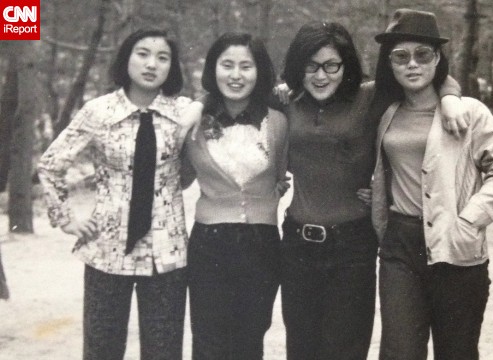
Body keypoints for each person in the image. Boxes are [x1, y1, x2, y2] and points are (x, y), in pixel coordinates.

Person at [276, 21, 465, 360]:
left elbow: (428, 75)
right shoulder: (287, 101)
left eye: (332, 65)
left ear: (346, 66)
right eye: (311, 66)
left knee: (345, 350)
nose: (321, 75)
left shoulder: (368, 97)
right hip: (297, 244)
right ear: (298, 67)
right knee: (300, 349)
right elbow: (231, 88)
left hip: (352, 246)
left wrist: (451, 97)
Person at [370, 9, 493, 360]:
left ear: (438, 59)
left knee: (456, 351)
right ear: (390, 63)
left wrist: (469, 220)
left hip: (455, 247)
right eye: (400, 56)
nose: (412, 65)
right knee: (399, 350)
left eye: (423, 55)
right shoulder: (387, 113)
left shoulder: (469, 112)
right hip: (400, 245)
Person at [37, 29, 191, 360]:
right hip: (107, 250)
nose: (152, 64)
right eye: (143, 54)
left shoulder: (184, 114)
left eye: (162, 58)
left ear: (172, 68)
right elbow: (50, 165)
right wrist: (65, 218)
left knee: (164, 352)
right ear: (126, 58)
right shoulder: (98, 111)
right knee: (101, 350)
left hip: (167, 255)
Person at [180, 32, 289, 360]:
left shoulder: (280, 122)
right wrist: (198, 104)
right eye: (227, 65)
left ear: (260, 73)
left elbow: (281, 176)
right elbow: (179, 178)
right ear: (213, 69)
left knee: (249, 341)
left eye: (246, 66)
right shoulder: (194, 122)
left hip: (262, 243)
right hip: (209, 244)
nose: (236, 75)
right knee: (209, 342)